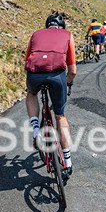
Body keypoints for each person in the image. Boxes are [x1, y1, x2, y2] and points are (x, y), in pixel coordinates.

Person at [26, 13, 77, 176]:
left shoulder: (35, 34)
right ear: (61, 27)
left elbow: (27, 61)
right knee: (60, 116)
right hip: (57, 76)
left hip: (35, 74)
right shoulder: (67, 35)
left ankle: (35, 129)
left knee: (31, 94)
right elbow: (73, 71)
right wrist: (68, 82)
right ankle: (67, 163)